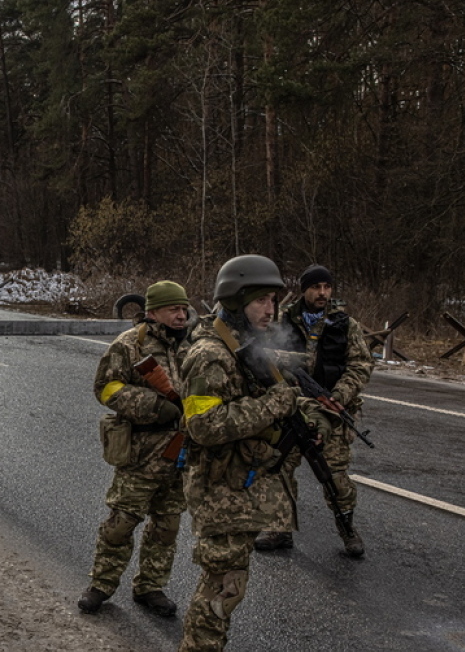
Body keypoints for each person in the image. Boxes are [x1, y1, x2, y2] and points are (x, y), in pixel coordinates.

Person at [177, 254, 330, 651]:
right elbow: (203, 426)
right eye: (262, 300)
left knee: (228, 591)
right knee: (220, 595)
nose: (271, 309)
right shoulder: (210, 354)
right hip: (221, 493)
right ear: (234, 299)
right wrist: (276, 404)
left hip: (239, 491)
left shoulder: (244, 346)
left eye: (274, 300)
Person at [78, 280, 192, 618]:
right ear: (153, 312)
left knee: (167, 524)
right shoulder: (130, 345)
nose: (181, 315)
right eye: (174, 309)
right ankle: (101, 584)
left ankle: (150, 587)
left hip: (180, 450)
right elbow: (105, 387)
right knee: (122, 522)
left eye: (184, 309)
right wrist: (153, 404)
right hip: (141, 451)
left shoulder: (193, 346)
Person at [253, 264, 372, 557]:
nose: (322, 293)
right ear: (304, 289)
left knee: (334, 475)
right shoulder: (280, 321)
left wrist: (338, 397)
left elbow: (361, 365)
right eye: (316, 287)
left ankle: (347, 530)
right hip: (290, 408)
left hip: (331, 410)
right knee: (277, 467)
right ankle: (279, 528)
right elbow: (259, 357)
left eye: (327, 287)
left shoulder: (345, 325)